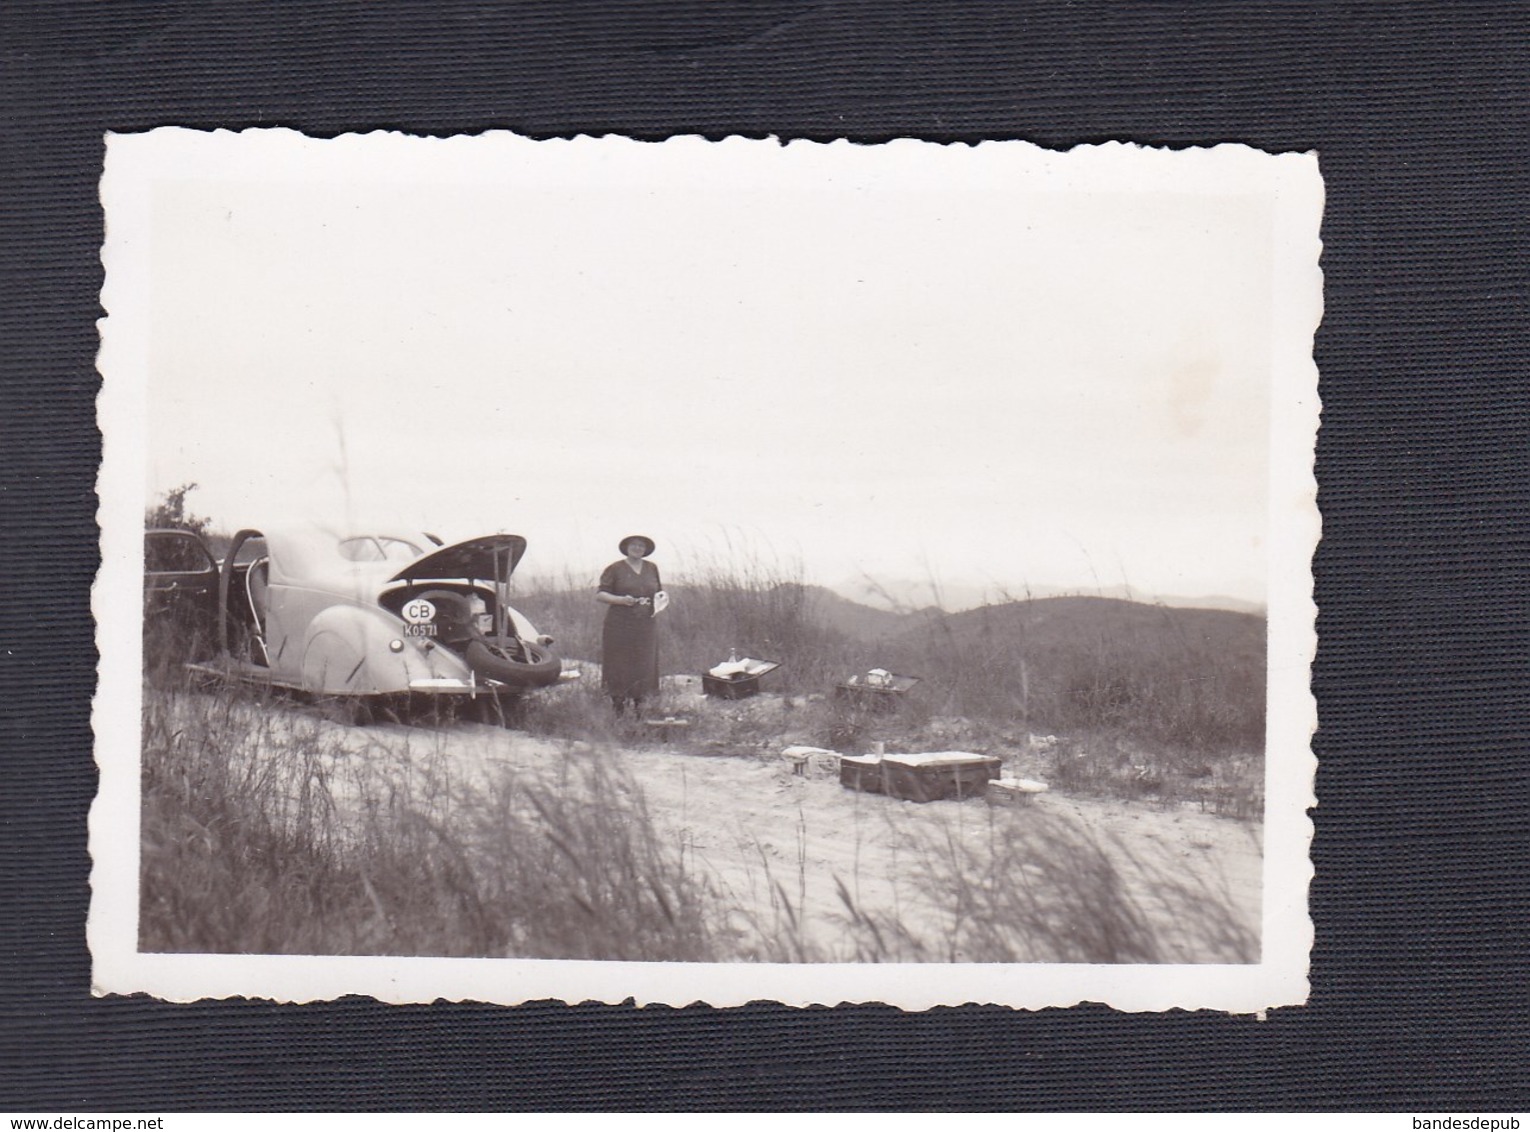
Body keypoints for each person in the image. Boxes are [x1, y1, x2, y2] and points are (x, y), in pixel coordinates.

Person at [596, 535, 663, 714]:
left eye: (641, 546)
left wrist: (661, 601)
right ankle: (618, 706)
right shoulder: (614, 568)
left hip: (646, 623)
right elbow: (601, 595)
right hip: (620, 623)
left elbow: (659, 592)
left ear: (645, 550)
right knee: (619, 662)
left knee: (644, 662)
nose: (637, 548)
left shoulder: (652, 568)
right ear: (626, 547)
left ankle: (640, 707)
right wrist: (620, 600)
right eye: (634, 545)